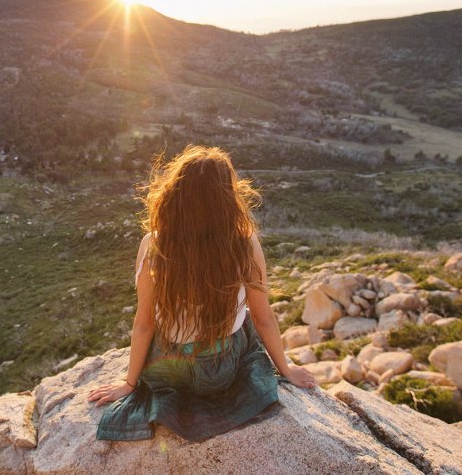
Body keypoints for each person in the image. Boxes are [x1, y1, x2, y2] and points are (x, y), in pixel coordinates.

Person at [86, 145, 317, 442]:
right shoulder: (244, 245)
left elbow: (145, 322)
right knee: (245, 318)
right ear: (227, 200)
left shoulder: (153, 245)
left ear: (175, 196)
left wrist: (130, 383)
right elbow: (263, 317)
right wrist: (285, 368)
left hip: (168, 370)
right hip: (219, 373)